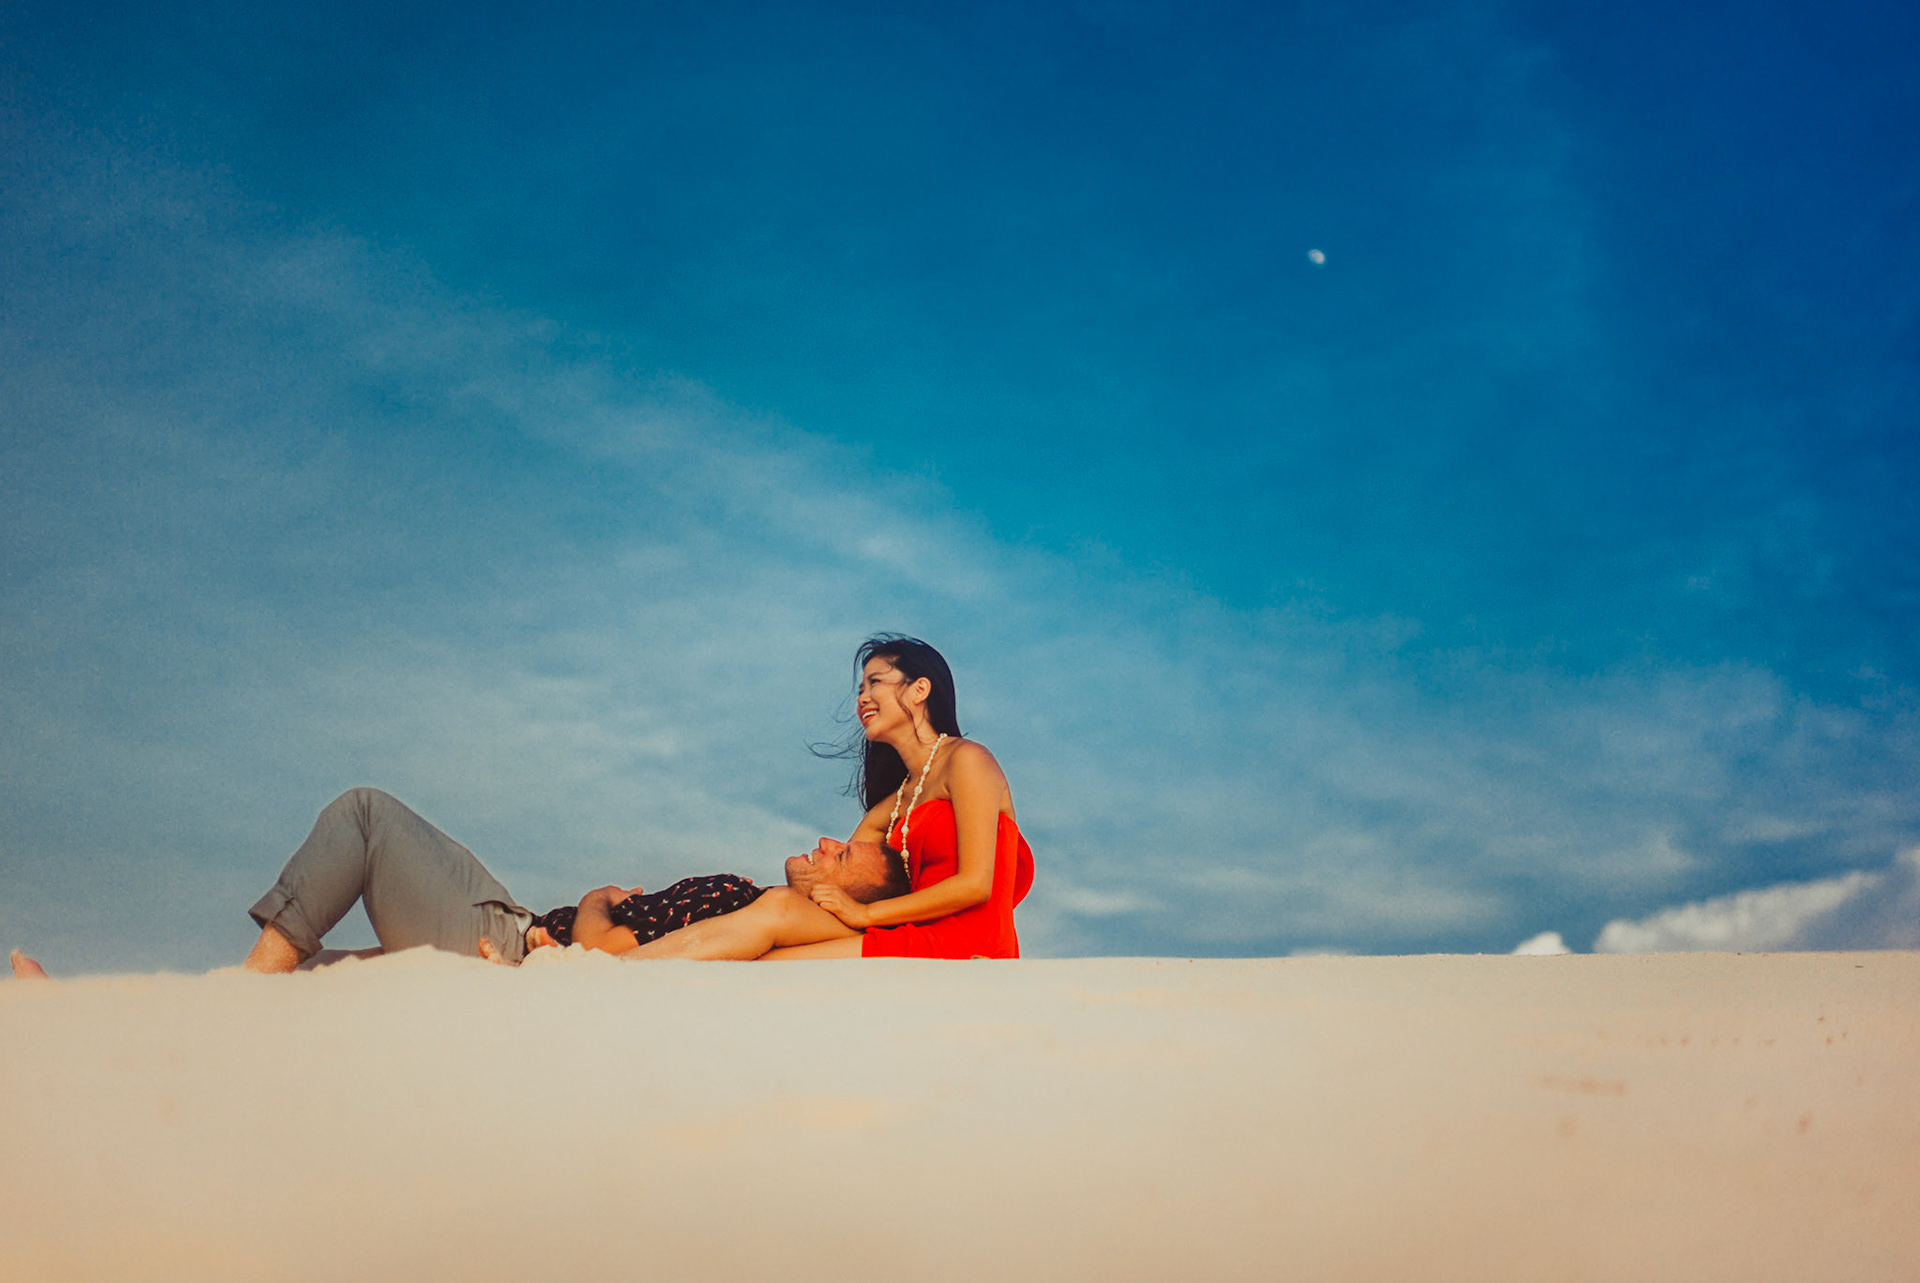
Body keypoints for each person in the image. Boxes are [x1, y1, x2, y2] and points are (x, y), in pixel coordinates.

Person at [569, 634, 1035, 962]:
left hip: (967, 946)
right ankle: (606, 968)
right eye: (860, 688)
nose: (862, 697)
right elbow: (832, 884)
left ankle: (608, 976)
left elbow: (976, 883)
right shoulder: (890, 809)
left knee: (765, 946)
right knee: (771, 916)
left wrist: (866, 912)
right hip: (913, 931)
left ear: (919, 689)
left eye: (876, 681)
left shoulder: (968, 761)